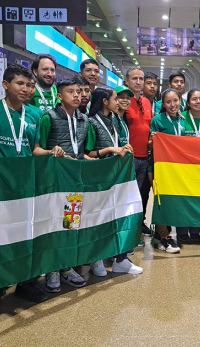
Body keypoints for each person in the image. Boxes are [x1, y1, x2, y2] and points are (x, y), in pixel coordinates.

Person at [0, 64, 46, 303]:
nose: (26, 89)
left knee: (26, 231)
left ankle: (26, 281)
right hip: (0, 185)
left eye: (30, 85)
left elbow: (34, 149)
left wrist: (52, 152)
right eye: (20, 84)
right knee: (0, 233)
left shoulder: (34, 115)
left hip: (27, 185)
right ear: (5, 85)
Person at [33, 79, 93, 292]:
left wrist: (91, 160)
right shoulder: (48, 117)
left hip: (75, 182)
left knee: (70, 225)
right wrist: (51, 152)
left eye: (79, 92)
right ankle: (52, 270)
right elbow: (36, 149)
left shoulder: (84, 120)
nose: (77, 95)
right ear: (59, 95)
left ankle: (66, 267)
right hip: (54, 183)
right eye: (71, 92)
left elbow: (83, 151)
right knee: (53, 226)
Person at [85, 87, 143, 275]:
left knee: (118, 216)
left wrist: (122, 147)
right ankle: (96, 259)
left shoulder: (115, 120)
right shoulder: (91, 122)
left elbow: (117, 142)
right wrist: (110, 149)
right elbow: (88, 153)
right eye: (115, 98)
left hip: (117, 176)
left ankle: (121, 259)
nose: (117, 102)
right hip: (100, 177)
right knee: (99, 217)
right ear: (104, 101)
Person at [150, 88, 186, 253]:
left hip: (178, 169)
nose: (172, 105)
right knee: (161, 201)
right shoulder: (158, 120)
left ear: (180, 101)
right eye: (168, 102)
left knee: (172, 201)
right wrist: (153, 141)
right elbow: (152, 143)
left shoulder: (184, 120)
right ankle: (165, 237)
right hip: (161, 167)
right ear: (163, 104)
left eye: (175, 101)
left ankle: (159, 235)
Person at [175, 89, 200, 245]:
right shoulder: (181, 119)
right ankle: (182, 232)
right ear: (188, 102)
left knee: (199, 201)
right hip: (184, 167)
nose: (198, 102)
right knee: (183, 200)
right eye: (194, 99)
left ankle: (196, 232)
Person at [124, 67, 154, 236]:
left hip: (145, 157)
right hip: (129, 158)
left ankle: (139, 224)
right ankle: (127, 228)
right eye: (134, 78)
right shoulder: (123, 100)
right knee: (128, 195)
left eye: (141, 79)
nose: (138, 82)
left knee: (142, 194)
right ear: (127, 81)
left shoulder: (147, 102)